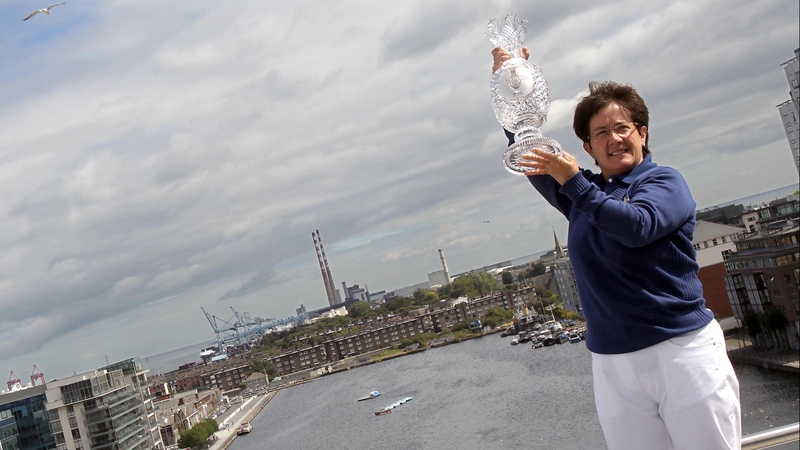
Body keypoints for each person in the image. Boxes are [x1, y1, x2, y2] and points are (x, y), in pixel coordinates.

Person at [492, 48, 741, 450]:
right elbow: (527, 151)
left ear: (642, 132)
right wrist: (511, 88)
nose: (614, 139)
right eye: (601, 134)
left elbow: (637, 227)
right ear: (588, 147)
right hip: (612, 362)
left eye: (622, 127)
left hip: (680, 351)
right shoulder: (583, 195)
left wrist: (574, 182)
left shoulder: (664, 183)